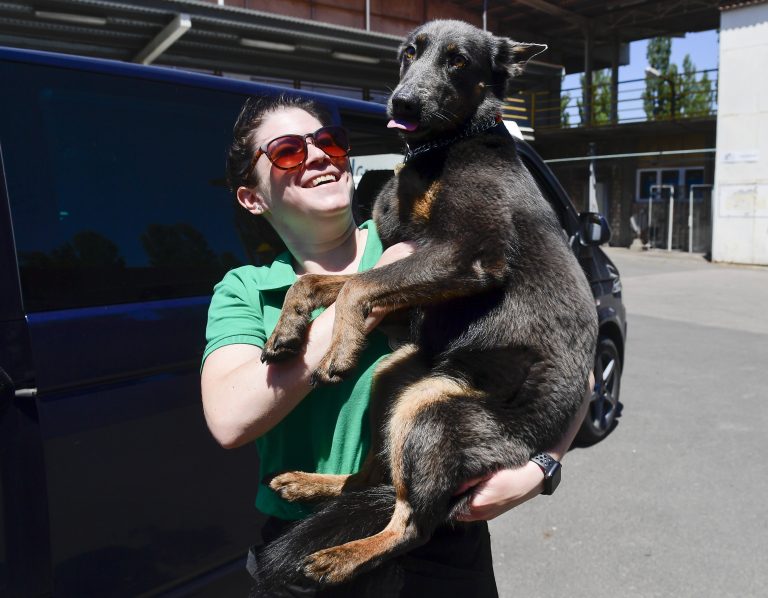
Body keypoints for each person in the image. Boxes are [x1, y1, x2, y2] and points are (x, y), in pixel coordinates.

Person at [200, 94, 592, 597]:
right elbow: (230, 420)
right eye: (288, 152)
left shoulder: (435, 244)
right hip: (304, 544)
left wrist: (542, 469)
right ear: (252, 198)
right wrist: (376, 289)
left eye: (329, 142)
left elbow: (568, 363)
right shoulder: (248, 289)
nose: (318, 155)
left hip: (440, 550)